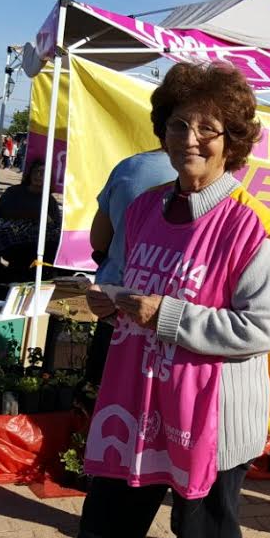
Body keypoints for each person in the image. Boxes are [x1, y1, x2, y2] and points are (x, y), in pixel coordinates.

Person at [49, 62, 270, 538]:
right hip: (135, 402)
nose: (191, 140)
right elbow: (141, 281)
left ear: (233, 141)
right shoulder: (145, 207)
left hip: (211, 417)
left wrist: (166, 315)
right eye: (180, 124)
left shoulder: (250, 227)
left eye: (209, 128)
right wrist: (110, 296)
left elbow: (261, 330)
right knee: (104, 531)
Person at [85, 149, 177, 384]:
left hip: (116, 301)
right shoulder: (216, 185)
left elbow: (98, 240)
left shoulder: (129, 168)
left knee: (101, 397)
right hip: (171, 320)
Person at [0, 159, 61, 223]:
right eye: (35, 171)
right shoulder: (13, 192)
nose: (38, 175)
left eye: (43, 173)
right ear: (30, 174)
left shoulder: (50, 201)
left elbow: (55, 226)